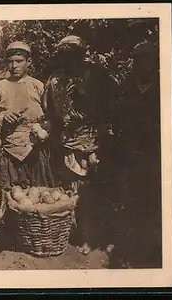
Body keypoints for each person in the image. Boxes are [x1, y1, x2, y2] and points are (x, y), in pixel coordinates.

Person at [42, 35, 120, 255]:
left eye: (74, 54)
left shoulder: (96, 76)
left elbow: (111, 107)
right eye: (65, 55)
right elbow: (50, 112)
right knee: (75, 192)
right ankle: (81, 235)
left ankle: (100, 236)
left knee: (98, 191)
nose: (70, 60)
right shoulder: (55, 80)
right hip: (69, 143)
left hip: (96, 142)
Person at [111, 40, 161, 268]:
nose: (141, 66)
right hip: (130, 152)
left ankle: (150, 247)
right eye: (137, 61)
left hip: (154, 154)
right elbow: (120, 116)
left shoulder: (162, 86)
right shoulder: (129, 85)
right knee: (129, 197)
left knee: (152, 200)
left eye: (146, 61)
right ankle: (129, 243)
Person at [0, 41, 55, 200]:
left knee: (39, 196)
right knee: (11, 197)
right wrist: (2, 116)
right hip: (10, 151)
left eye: (19, 61)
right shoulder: (0, 88)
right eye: (10, 61)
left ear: (29, 62)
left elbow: (50, 117)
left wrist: (42, 130)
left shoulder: (38, 86)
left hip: (35, 150)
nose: (14, 66)